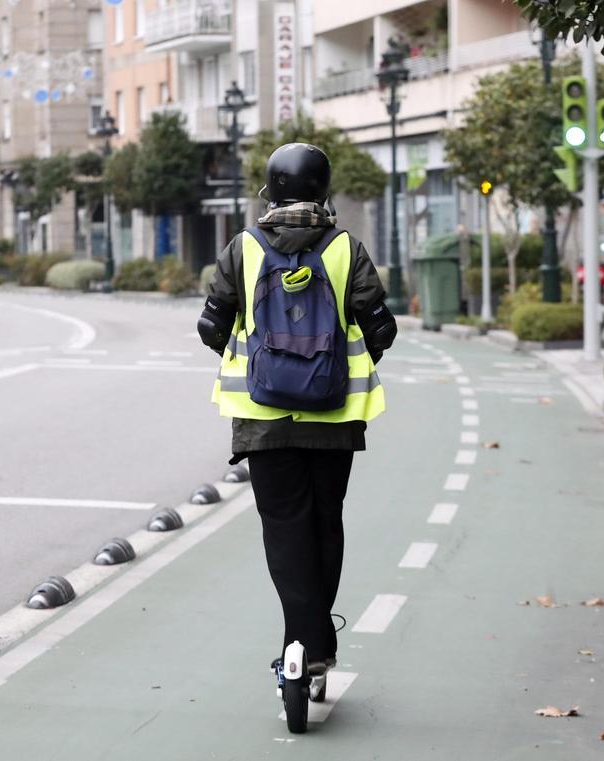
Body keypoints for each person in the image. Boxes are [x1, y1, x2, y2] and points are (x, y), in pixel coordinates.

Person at [197, 142, 397, 702]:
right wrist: (332, 369)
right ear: (323, 190)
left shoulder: (242, 248)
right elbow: (380, 328)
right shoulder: (345, 248)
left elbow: (211, 326)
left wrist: (255, 361)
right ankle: (315, 644)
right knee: (325, 523)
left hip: (262, 421)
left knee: (283, 528)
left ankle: (302, 641)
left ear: (271, 189)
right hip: (335, 418)